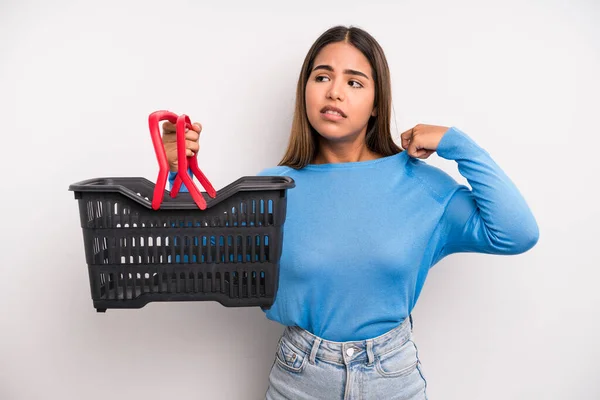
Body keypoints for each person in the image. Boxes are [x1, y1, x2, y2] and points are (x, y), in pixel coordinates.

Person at [162, 25, 539, 400]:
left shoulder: (421, 186)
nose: (334, 92)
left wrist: (457, 143)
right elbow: (192, 254)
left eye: (354, 82)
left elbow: (515, 232)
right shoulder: (272, 188)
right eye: (321, 76)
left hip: (393, 379)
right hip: (299, 379)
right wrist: (176, 174)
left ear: (377, 102)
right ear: (305, 91)